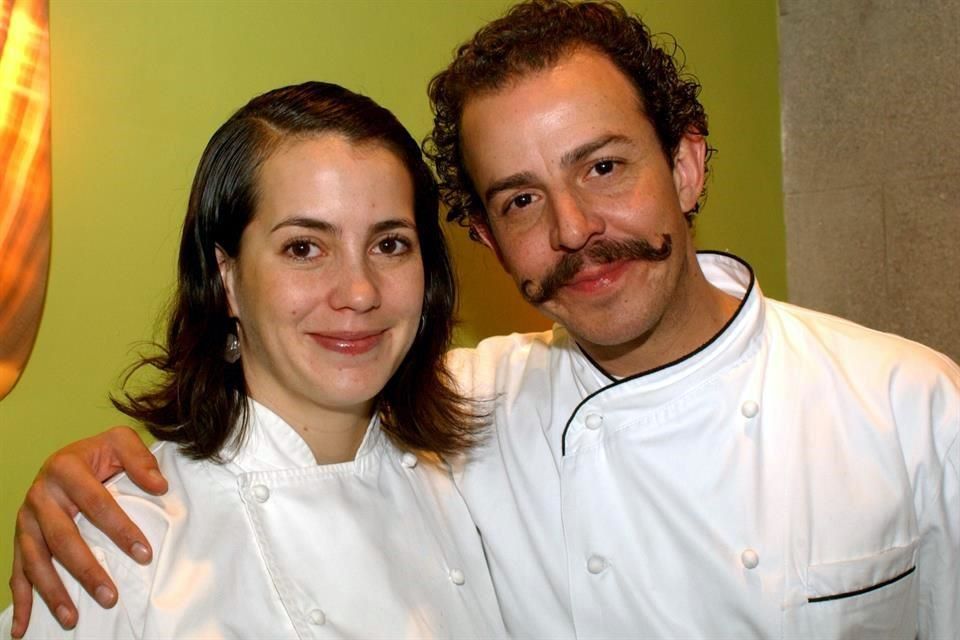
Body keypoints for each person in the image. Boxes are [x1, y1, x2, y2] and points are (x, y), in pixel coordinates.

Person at [10, 1, 960, 638]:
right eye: (519, 199)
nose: (575, 230)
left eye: (603, 167)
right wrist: (81, 482)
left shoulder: (912, 405)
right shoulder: (469, 417)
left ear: (686, 167)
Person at [0, 81, 507, 638]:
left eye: (390, 244)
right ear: (227, 279)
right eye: (303, 248)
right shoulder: (124, 540)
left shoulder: (475, 477)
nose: (359, 291)